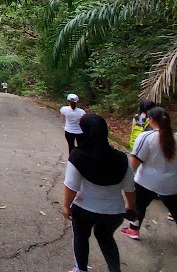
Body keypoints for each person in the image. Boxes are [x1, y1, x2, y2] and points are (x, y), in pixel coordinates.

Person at [62, 114, 136, 272]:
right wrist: (131, 205)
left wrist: (66, 206)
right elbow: (130, 188)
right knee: (106, 238)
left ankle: (80, 269)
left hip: (84, 208)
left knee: (81, 238)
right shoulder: (122, 158)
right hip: (113, 212)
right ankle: (115, 270)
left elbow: (71, 186)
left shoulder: (77, 155)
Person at [120, 106, 177, 239]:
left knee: (138, 205)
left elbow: (134, 163)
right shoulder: (175, 138)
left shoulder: (146, 137)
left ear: (150, 120)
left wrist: (125, 182)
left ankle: (134, 229)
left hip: (146, 181)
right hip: (172, 184)